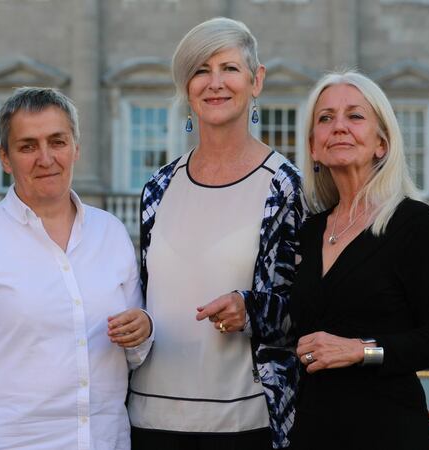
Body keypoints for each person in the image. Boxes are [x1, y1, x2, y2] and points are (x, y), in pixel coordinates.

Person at [0, 87, 153, 450]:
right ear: (5, 157)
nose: (46, 158)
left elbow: (135, 352)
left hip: (105, 441)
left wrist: (144, 329)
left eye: (57, 142)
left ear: (76, 148)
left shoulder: (111, 233)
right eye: (28, 146)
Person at [128, 17, 302, 450]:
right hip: (150, 420)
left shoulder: (284, 185)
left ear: (256, 80)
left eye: (229, 68)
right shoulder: (159, 187)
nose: (215, 83)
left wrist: (251, 309)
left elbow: (308, 308)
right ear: (187, 88)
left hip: (244, 424)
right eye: (200, 71)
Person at [288, 70, 429, 449]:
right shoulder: (308, 231)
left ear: (381, 143)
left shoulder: (412, 222)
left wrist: (360, 350)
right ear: (314, 147)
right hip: (315, 430)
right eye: (325, 118)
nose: (339, 127)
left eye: (355, 116)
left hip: (388, 431)